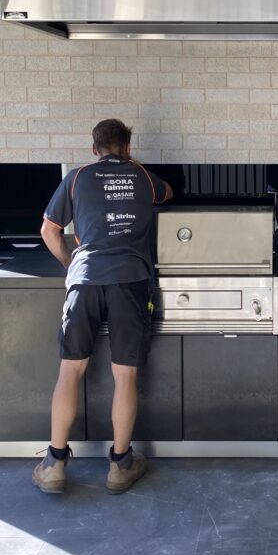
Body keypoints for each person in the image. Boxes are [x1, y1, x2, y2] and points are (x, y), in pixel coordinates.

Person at [32, 118, 173, 495]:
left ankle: (55, 464)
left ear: (94, 149)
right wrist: (133, 169)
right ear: (127, 147)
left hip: (85, 280)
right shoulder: (142, 176)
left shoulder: (77, 177)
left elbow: (49, 229)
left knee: (70, 371)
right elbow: (168, 193)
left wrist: (72, 264)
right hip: (130, 280)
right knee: (124, 375)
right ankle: (121, 465)